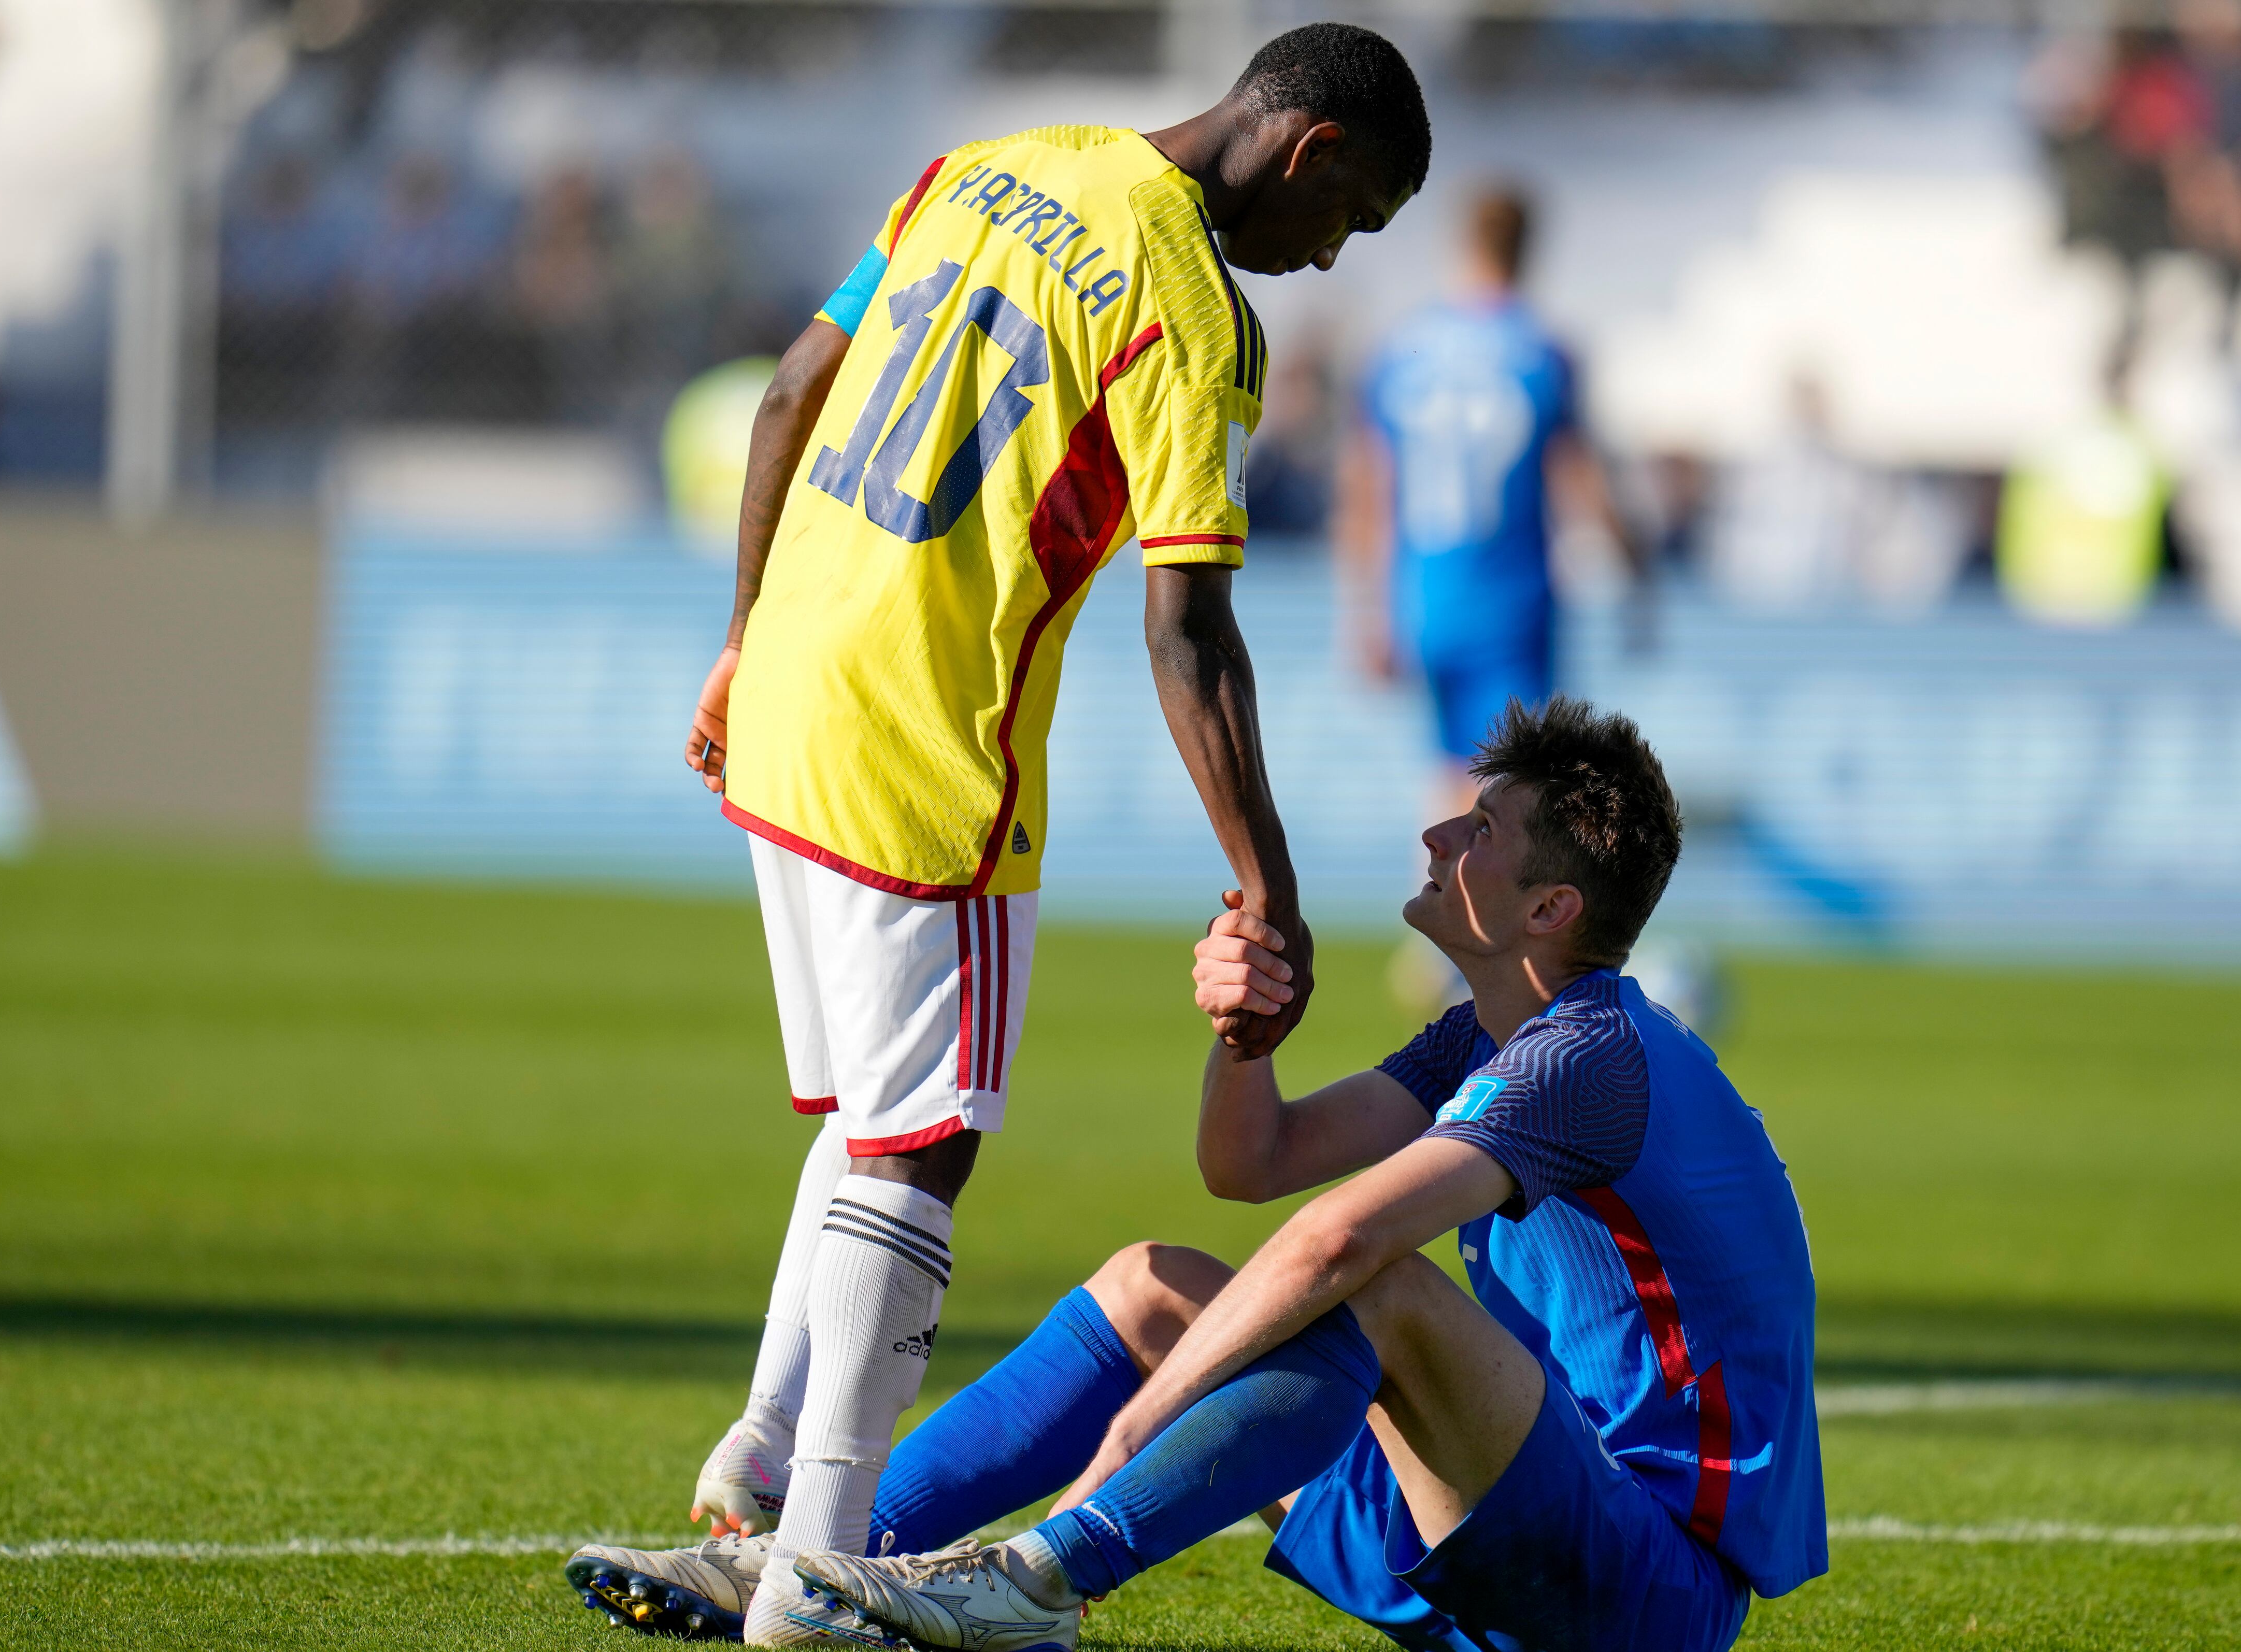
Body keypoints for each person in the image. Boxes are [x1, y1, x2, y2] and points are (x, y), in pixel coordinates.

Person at [572, 23, 1434, 1641]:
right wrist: (1270, 885)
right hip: (923, 736)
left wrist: (747, 637)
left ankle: (759, 1466)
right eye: (1353, 219)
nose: (1327, 259)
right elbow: (1188, 633)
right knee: (922, 1143)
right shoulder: (1193, 312)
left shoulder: (997, 163)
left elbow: (781, 401)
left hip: (792, 678)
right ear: (1312, 151)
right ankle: (816, 1572)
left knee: (865, 1114)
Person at [565, 697, 1825, 1650]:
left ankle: (1043, 1584)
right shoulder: (1484, 1033)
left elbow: (1337, 1244)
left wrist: (1130, 1426)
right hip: (1518, 1521)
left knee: (1371, 1286)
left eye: (1480, 827)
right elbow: (1252, 1163)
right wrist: (1244, 1043)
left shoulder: (1586, 1055)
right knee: (1153, 1284)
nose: (1439, 831)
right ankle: (813, 1555)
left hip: (1643, 1586)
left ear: (1550, 909)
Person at [1336, 186, 1638, 815]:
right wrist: (1635, 564)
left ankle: (1434, 902)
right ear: (1528, 248)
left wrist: (1366, 607)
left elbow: (1368, 486)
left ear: (1463, 243)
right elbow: (1577, 478)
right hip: (1508, 599)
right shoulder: (1542, 351)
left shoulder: (1402, 349)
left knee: (1452, 771)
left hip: (1421, 596)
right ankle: (1472, 909)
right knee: (1515, 791)